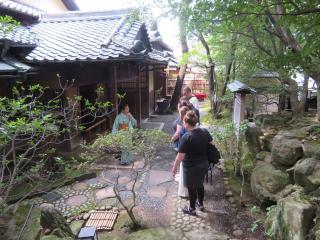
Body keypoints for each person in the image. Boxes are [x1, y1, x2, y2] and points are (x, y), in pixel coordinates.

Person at [172, 111, 215, 215]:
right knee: (200, 184)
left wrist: (174, 167)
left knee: (191, 187)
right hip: (204, 163)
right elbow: (212, 143)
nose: (183, 124)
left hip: (191, 166)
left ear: (186, 123)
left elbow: (180, 156)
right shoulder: (204, 131)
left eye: (183, 122)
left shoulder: (187, 137)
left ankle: (192, 209)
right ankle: (200, 204)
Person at [171, 106, 189, 198]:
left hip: (183, 148)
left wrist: (172, 138)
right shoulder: (189, 124)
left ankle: (184, 192)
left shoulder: (183, 125)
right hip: (189, 151)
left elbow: (178, 134)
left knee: (183, 168)